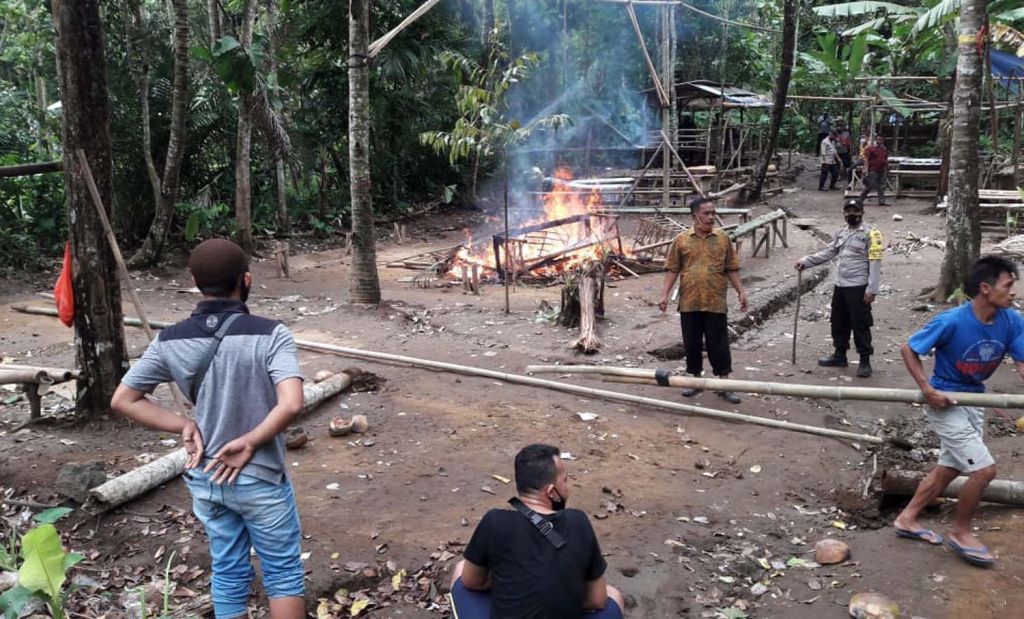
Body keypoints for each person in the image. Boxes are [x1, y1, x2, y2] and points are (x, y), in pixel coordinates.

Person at [111, 239, 306, 619]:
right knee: (282, 574)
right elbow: (292, 403)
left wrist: (184, 424)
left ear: (197, 284)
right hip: (261, 477)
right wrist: (250, 441)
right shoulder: (271, 334)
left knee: (229, 571)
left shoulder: (169, 339)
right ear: (246, 280)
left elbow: (123, 399)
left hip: (206, 476)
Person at [892, 256, 1024, 568]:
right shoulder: (951, 320)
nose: (1014, 292)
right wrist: (927, 389)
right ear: (985, 288)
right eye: (1008, 285)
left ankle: (907, 518)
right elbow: (909, 348)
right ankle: (961, 531)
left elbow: (1022, 364)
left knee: (950, 467)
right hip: (946, 401)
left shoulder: (1012, 320)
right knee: (983, 470)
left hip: (975, 400)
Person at [450, 444, 625, 618]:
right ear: (551, 492)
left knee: (460, 569)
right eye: (565, 480)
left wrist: (513, 584)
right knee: (613, 595)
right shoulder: (579, 522)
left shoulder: (494, 521)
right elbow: (597, 600)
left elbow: (471, 581)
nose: (567, 487)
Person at [658, 197, 748, 404]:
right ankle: (695, 381)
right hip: (690, 300)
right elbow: (672, 269)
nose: (711, 217)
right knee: (692, 342)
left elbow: (731, 268)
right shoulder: (681, 240)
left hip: (716, 299)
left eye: (713, 213)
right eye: (706, 213)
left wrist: (741, 292)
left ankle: (724, 384)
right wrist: (664, 295)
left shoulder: (723, 238)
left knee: (719, 343)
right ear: (694, 216)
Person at [795, 198, 883, 378]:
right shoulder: (841, 232)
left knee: (860, 324)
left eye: (855, 211)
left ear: (862, 212)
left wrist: (872, 289)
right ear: (844, 213)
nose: (852, 214)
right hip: (840, 284)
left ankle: (865, 361)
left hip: (858, 286)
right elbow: (829, 252)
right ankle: (839, 354)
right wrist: (806, 261)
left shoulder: (871, 234)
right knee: (838, 321)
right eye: (848, 211)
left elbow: (875, 262)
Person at [859, 135, 889, 206]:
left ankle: (881, 201)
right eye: (878, 139)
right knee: (870, 185)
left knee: (882, 186)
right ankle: (860, 200)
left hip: (882, 169)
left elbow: (886, 158)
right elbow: (866, 159)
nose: (879, 141)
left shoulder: (884, 149)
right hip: (873, 170)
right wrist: (865, 169)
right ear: (876, 140)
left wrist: (887, 167)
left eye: (881, 140)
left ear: (883, 141)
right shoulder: (871, 149)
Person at [835, 120, 853, 188]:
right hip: (836, 151)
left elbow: (849, 143)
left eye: (840, 126)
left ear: (843, 127)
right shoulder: (834, 133)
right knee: (837, 164)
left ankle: (848, 177)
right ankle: (838, 176)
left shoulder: (847, 134)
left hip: (844, 151)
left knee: (847, 165)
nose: (839, 128)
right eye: (838, 126)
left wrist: (850, 151)